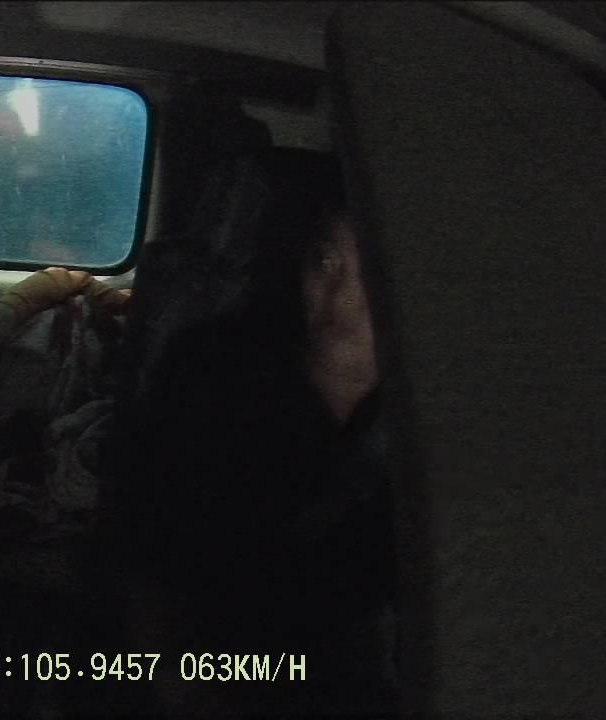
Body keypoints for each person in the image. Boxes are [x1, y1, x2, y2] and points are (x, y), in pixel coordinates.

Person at [90, 149, 397, 719]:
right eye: (325, 262)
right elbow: (147, 558)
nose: (340, 304)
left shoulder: (438, 424)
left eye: (375, 276)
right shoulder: (217, 376)